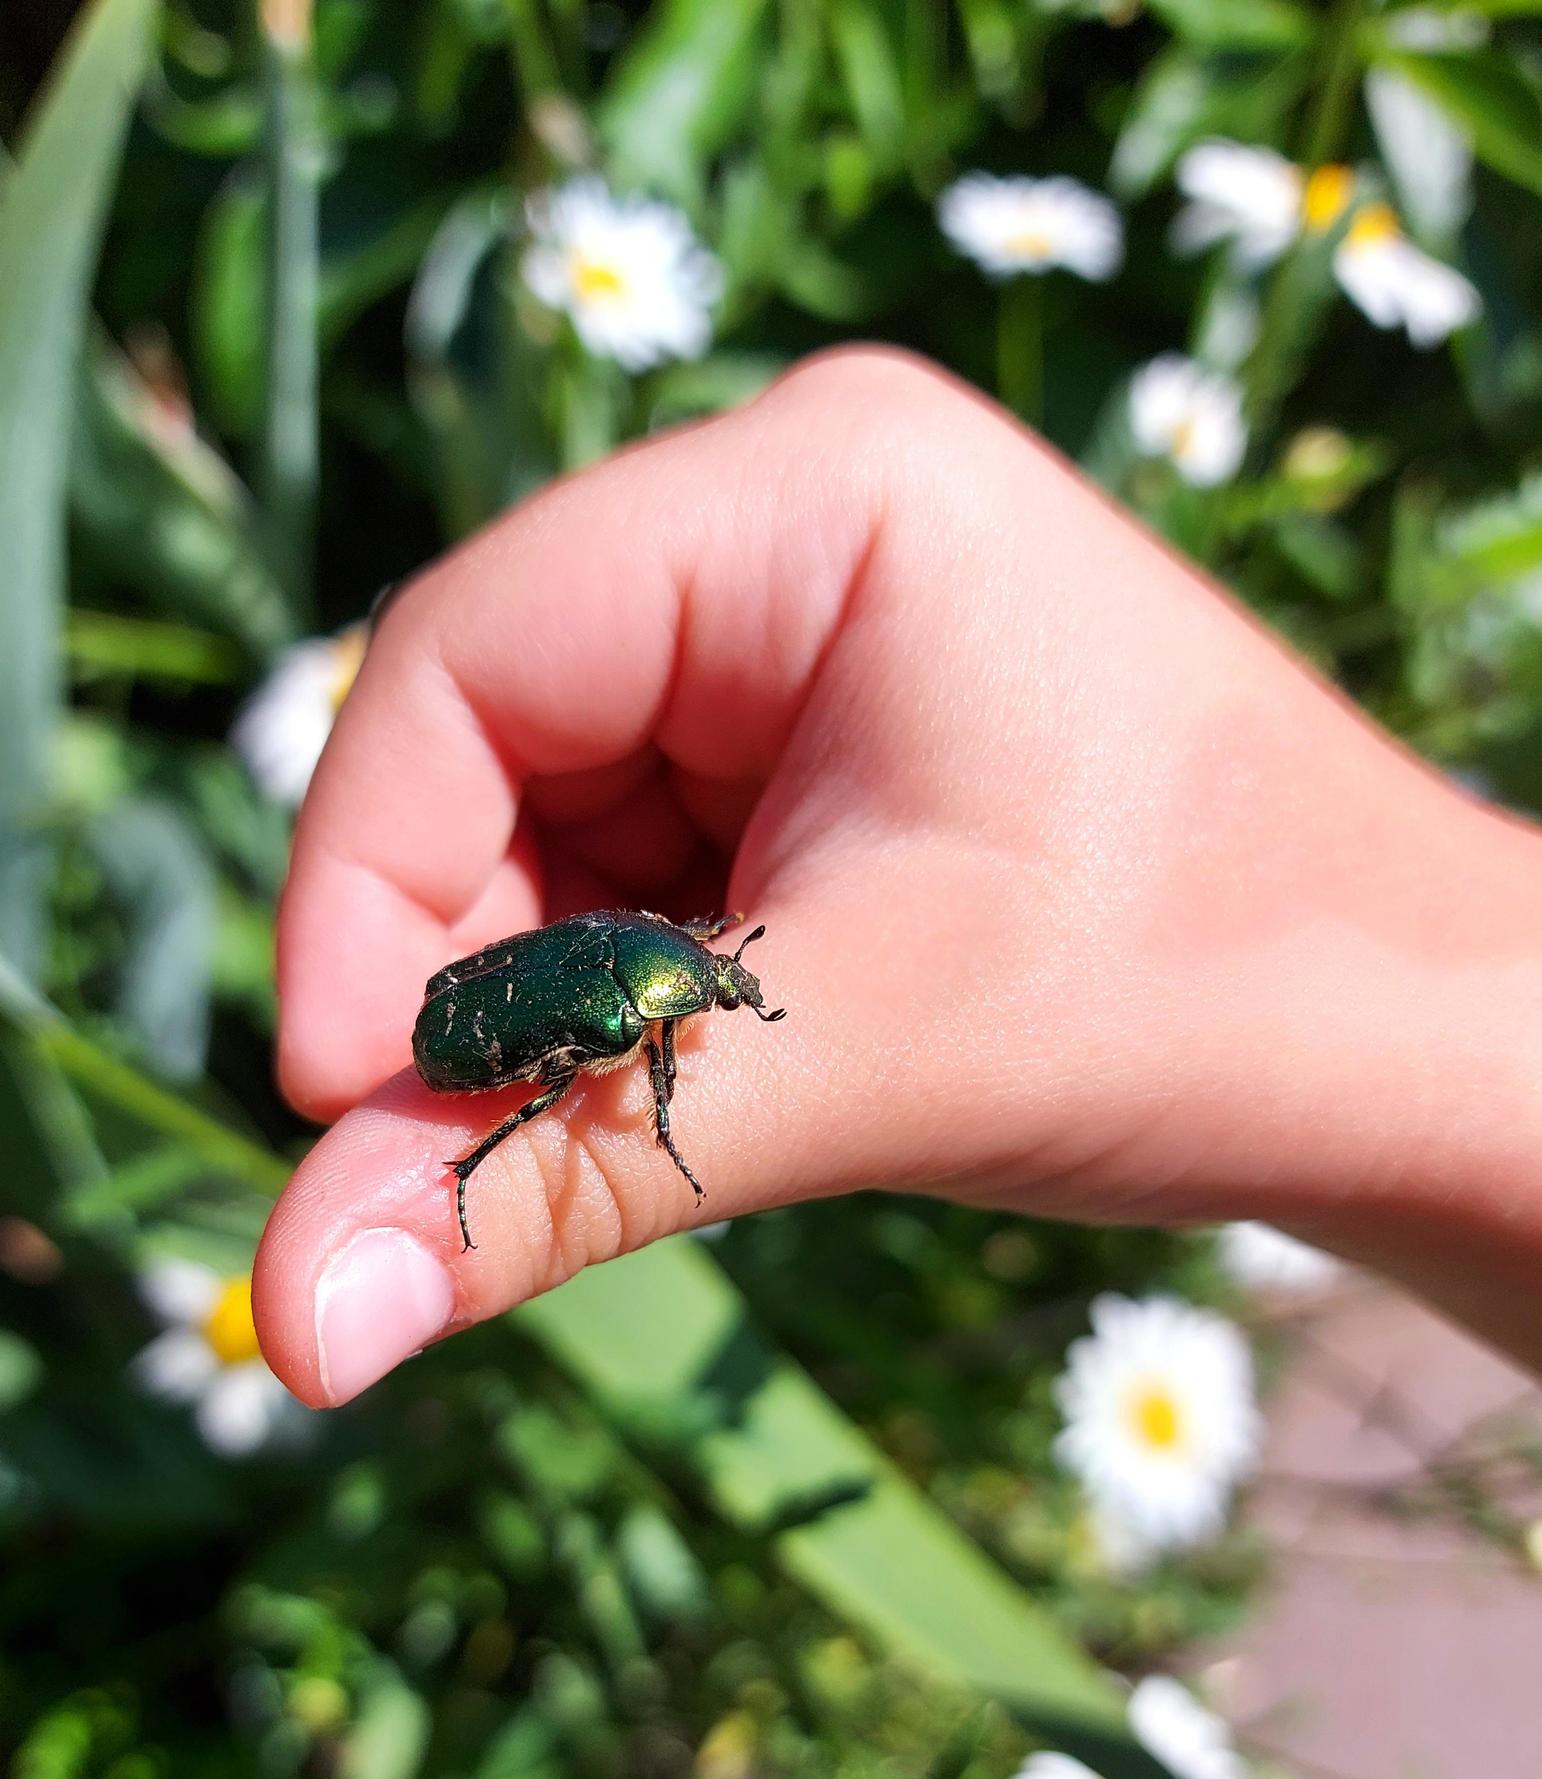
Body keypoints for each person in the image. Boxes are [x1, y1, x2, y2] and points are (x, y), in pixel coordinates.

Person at [252, 348, 1542, 1404]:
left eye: (708, 979)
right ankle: (472, 1177)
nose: (715, 990)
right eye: (705, 985)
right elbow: (626, 1069)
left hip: (481, 992)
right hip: (475, 1033)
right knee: (549, 1109)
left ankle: (474, 1173)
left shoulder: (631, 952)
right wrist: (649, 1142)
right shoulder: (624, 1003)